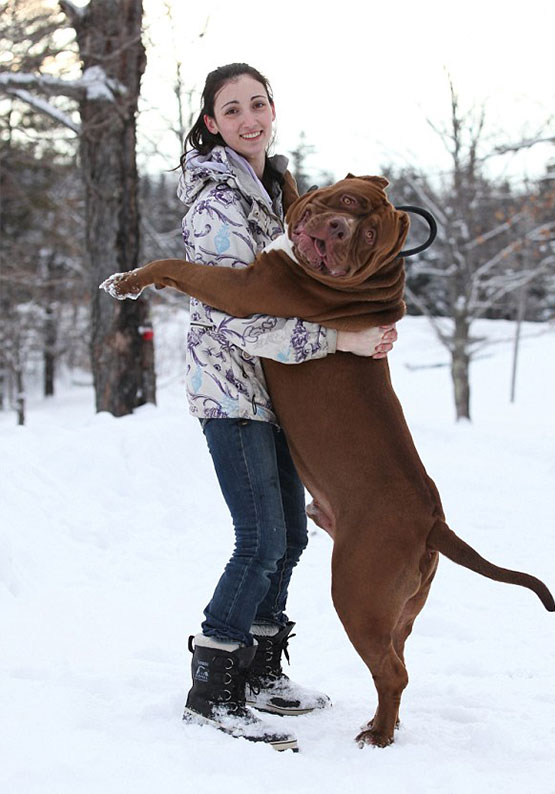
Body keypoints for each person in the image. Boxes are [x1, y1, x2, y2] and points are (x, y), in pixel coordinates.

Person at [178, 62, 397, 750]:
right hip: (231, 390)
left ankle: (261, 671)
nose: (249, 119)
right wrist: (341, 339)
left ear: (273, 110)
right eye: (232, 109)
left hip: (280, 393)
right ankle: (213, 684)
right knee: (260, 539)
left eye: (258, 104)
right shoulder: (217, 206)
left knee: (292, 537)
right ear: (211, 122)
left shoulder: (278, 193)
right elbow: (235, 320)